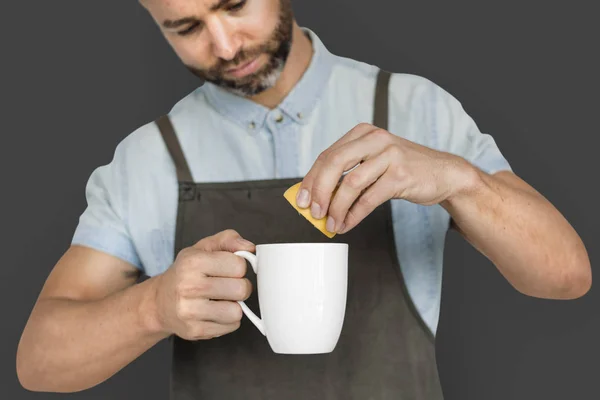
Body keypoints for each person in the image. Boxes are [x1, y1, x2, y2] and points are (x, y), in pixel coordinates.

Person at [17, 0, 591, 398]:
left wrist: (460, 180)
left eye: (236, 5)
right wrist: (153, 306)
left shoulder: (417, 110)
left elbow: (566, 276)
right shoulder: (146, 159)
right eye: (186, 28)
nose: (224, 44)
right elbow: (38, 362)